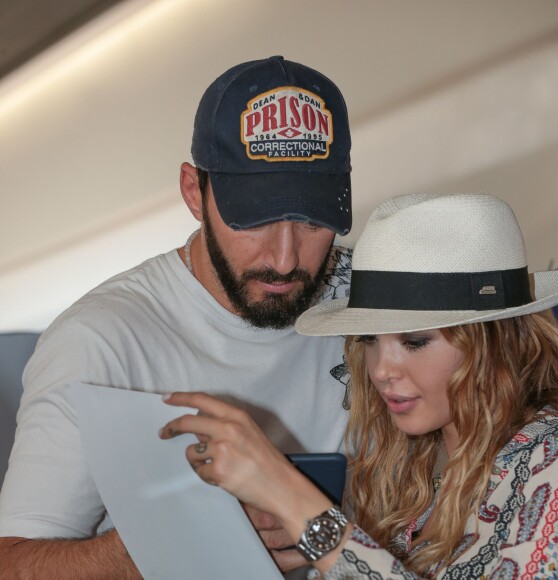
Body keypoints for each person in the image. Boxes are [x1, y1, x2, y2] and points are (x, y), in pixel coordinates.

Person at [0, 56, 353, 578]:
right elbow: (13, 565)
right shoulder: (101, 340)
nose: (285, 259)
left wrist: (323, 522)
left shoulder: (374, 303)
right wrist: (168, 533)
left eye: (311, 221)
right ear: (194, 192)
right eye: (252, 218)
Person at [159, 193, 558, 578]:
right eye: (369, 341)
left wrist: (294, 501)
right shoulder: (413, 496)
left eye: (415, 341)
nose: (380, 370)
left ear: (497, 341)